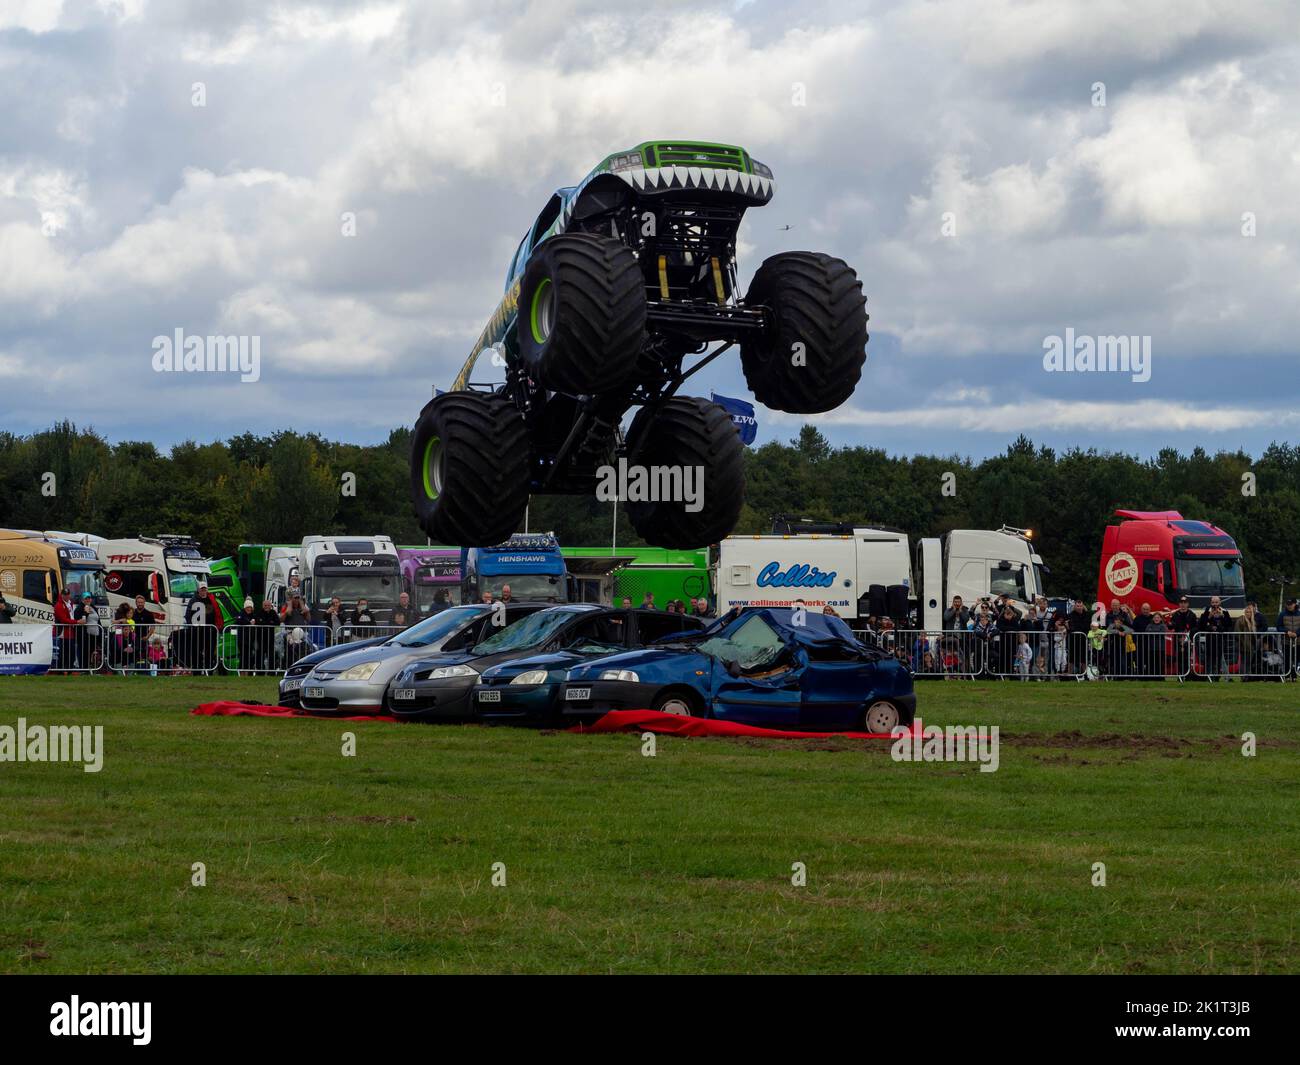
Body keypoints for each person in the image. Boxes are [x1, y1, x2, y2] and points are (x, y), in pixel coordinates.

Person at [183, 582, 221, 673]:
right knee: (197, 651)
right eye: (202, 589)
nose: (203, 591)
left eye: (205, 589)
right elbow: (188, 615)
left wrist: (218, 626)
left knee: (210, 652)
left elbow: (217, 613)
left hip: (210, 631)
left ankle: (209, 671)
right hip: (197, 632)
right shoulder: (193, 600)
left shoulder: (211, 599)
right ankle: (197, 671)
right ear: (198, 590)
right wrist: (191, 627)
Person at [1199, 597, 1232, 679]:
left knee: (1219, 658)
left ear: (1220, 602)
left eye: (1216, 602)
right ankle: (1207, 676)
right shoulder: (1206, 611)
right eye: (1213, 602)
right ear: (1211, 603)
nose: (1215, 604)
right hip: (1209, 639)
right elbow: (1200, 625)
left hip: (1220, 639)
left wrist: (1223, 616)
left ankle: (1217, 677)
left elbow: (1229, 625)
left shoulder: (1224, 611)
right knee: (1209, 659)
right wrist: (1209, 617)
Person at [75, 592, 103, 672]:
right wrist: (86, 612)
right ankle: (83, 670)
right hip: (85, 635)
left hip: (95, 635)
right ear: (82, 599)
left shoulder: (93, 607)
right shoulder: (79, 608)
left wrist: (101, 632)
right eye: (86, 598)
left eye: (89, 598)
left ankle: (91, 670)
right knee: (84, 653)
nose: (88, 600)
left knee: (92, 653)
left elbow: (98, 620)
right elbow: (81, 620)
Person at [54, 585, 78, 670]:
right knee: (64, 652)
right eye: (65, 594)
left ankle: (69, 669)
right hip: (63, 633)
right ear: (62, 595)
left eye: (68, 594)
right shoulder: (59, 605)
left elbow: (71, 616)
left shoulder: (70, 603)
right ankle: (61, 669)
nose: (67, 596)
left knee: (71, 652)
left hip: (70, 631)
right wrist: (77, 622)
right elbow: (64, 619)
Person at [1275, 597, 1300, 676]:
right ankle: (1286, 675)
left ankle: (1294, 675)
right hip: (1286, 641)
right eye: (1288, 604)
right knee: (1287, 659)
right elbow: (1278, 626)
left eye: (1291, 604)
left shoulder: (1299, 613)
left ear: (1295, 604)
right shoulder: (1282, 614)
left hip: (1298, 641)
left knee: (1296, 658)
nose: (1289, 606)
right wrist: (1287, 632)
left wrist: (1297, 633)